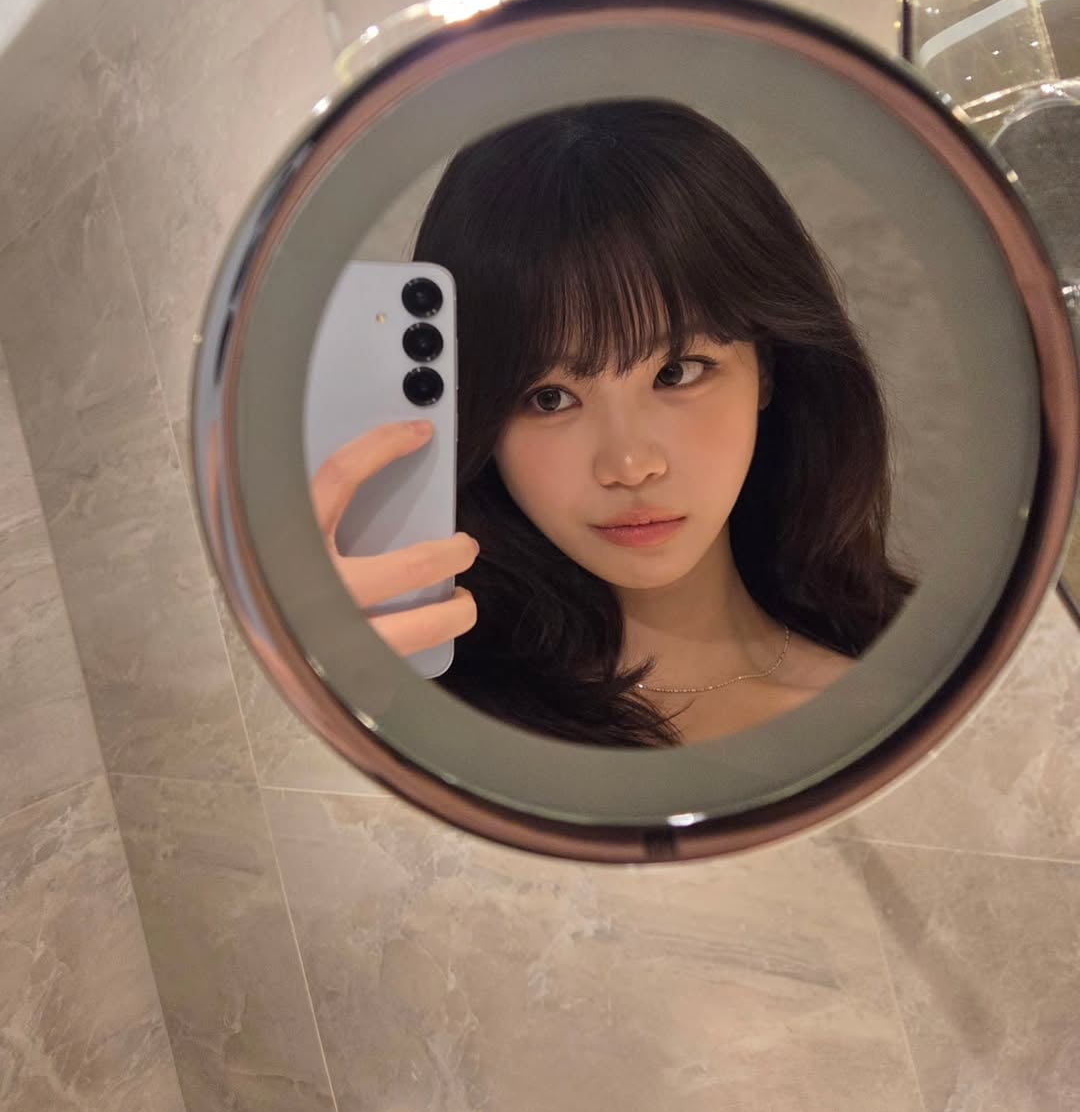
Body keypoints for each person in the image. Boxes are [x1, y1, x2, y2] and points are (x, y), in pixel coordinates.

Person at [312, 99, 915, 747]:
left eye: (677, 372)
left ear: (766, 368)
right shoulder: (425, 721)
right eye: (548, 398)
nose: (629, 465)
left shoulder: (927, 694)